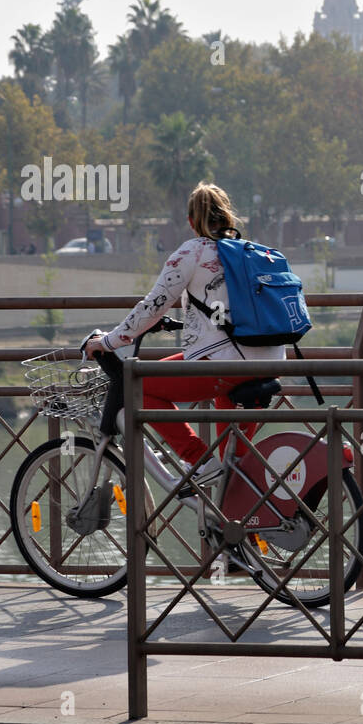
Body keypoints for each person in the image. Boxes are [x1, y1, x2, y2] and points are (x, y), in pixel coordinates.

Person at [84, 183, 284, 492]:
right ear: (229, 217)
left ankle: (198, 460)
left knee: (138, 386)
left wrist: (108, 342)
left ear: (191, 221)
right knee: (233, 470)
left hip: (227, 363)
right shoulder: (253, 252)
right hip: (270, 359)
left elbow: (152, 306)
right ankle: (241, 523)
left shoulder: (193, 252)